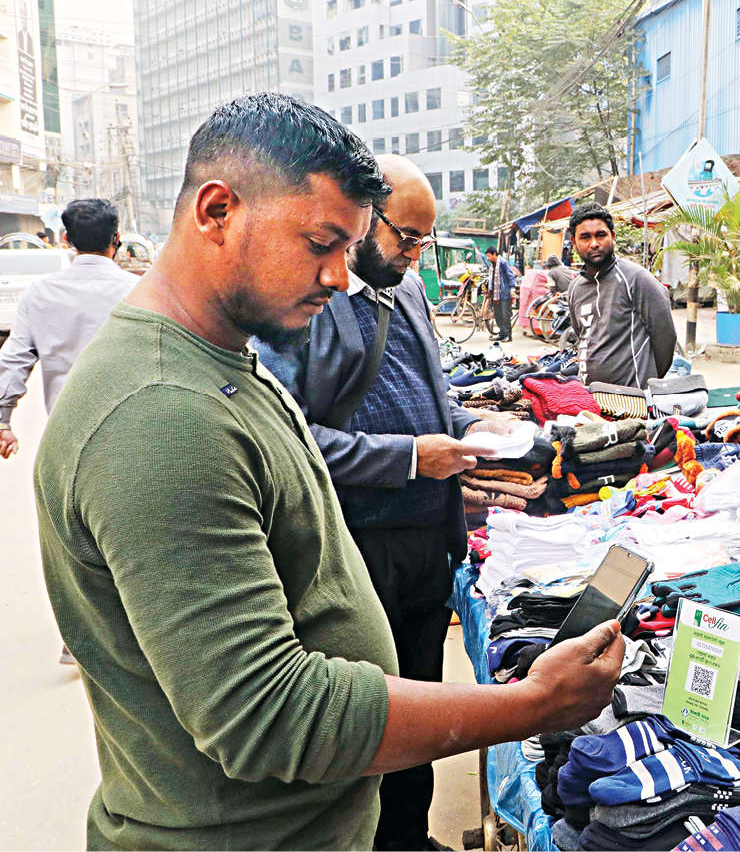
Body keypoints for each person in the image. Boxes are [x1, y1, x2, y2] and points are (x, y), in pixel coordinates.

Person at [35, 93, 623, 851]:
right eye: (321, 243)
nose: (343, 278)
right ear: (217, 211)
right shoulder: (160, 414)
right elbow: (269, 717)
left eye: (351, 247)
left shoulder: (223, 360)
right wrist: (533, 705)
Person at [254, 153, 489, 850]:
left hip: (428, 542)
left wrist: (474, 429)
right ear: (363, 219)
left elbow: (434, 397)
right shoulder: (304, 302)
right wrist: (410, 457)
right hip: (356, 550)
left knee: (423, 705)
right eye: (404, 237)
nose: (414, 255)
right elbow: (291, 439)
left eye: (423, 241)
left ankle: (410, 838)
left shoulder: (408, 292)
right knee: (370, 719)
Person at [0, 198, 138, 666]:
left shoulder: (40, 294)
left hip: (66, 439)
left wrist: (3, 419)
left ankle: (79, 640)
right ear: (116, 240)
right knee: (127, 538)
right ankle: (131, 635)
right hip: (131, 432)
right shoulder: (137, 292)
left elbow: (14, 360)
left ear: (65, 239)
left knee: (72, 540)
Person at [566, 205, 677, 388]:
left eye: (600, 235)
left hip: (632, 397)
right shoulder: (575, 288)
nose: (594, 243)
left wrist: (647, 380)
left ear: (613, 236)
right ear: (574, 241)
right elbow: (582, 337)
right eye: (585, 237)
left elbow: (665, 337)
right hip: (591, 394)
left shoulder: (636, 278)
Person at [485, 244, 515, 341]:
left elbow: (510, 276)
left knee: (505, 315)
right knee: (497, 315)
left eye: (489, 256)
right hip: (495, 294)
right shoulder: (492, 264)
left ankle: (508, 335)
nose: (488, 258)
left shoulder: (503, 263)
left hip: (504, 293)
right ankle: (502, 333)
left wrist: (512, 288)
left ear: (494, 254)